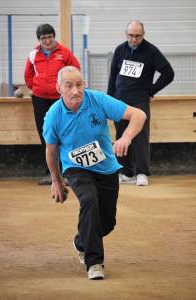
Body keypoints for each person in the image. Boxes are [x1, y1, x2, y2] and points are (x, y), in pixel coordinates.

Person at [43, 66, 146, 280]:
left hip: (106, 167)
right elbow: (51, 150)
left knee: (107, 223)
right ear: (59, 88)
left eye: (79, 84)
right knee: (89, 200)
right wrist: (56, 180)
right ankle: (94, 263)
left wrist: (126, 137)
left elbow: (138, 114)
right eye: (69, 86)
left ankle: (81, 242)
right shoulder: (53, 115)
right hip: (75, 167)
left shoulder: (98, 100)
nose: (75, 91)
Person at [107, 20, 174, 186]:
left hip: (139, 99)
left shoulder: (151, 51)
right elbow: (113, 75)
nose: (134, 39)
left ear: (143, 35)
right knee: (121, 135)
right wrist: (109, 99)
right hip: (119, 99)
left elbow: (168, 73)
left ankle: (142, 172)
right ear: (126, 34)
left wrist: (152, 90)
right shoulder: (120, 50)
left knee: (140, 136)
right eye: (131, 35)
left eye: (137, 36)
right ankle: (126, 172)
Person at [24, 23, 80, 185]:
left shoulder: (64, 53)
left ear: (53, 36)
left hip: (60, 99)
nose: (47, 41)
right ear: (39, 40)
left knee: (65, 133)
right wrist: (35, 88)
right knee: (46, 135)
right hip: (40, 99)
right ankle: (51, 173)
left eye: (49, 37)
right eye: (43, 38)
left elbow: (75, 70)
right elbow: (28, 75)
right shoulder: (33, 54)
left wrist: (68, 90)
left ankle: (68, 172)